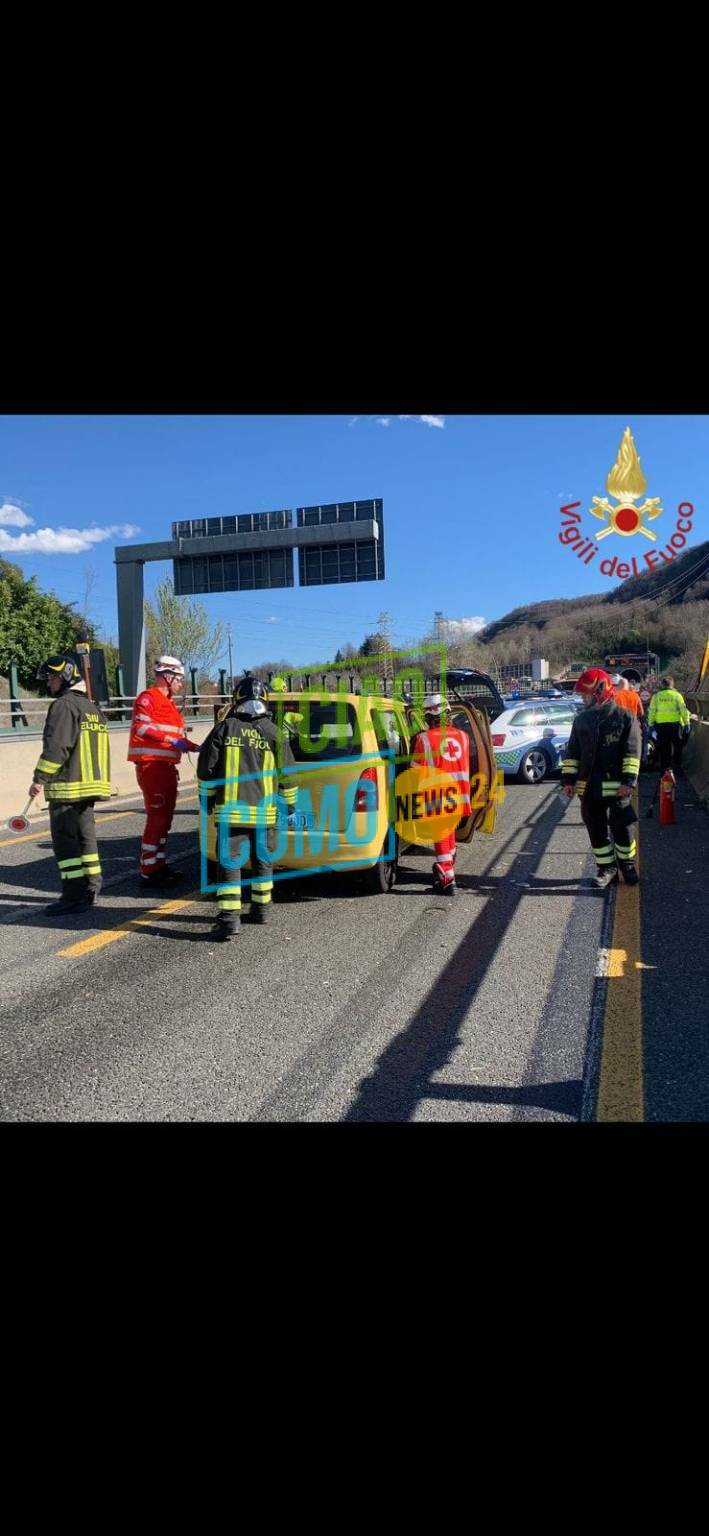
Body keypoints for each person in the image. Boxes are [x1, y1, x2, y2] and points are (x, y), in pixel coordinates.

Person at [197, 673, 299, 940]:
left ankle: (230, 919)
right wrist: (289, 807)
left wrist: (207, 802)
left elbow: (206, 771)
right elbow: (288, 775)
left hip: (232, 812)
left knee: (230, 863)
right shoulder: (274, 732)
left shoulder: (225, 728)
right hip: (265, 814)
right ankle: (261, 909)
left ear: (237, 700)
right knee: (263, 861)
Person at [30, 654, 111, 914]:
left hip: (67, 786)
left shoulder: (63, 706)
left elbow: (57, 747)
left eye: (51, 678)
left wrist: (39, 778)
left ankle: (73, 895)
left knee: (66, 843)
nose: (48, 684)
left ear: (65, 677)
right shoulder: (92, 708)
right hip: (89, 786)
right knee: (87, 841)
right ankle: (91, 887)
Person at [560, 668, 642, 889]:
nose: (582, 698)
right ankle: (607, 868)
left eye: (585, 695)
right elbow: (573, 753)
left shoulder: (625, 719)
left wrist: (628, 781)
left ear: (600, 691)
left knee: (623, 826)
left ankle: (627, 864)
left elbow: (632, 753)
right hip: (588, 786)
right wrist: (568, 781)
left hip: (616, 786)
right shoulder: (582, 720)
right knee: (595, 828)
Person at [127, 655, 201, 886]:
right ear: (167, 677)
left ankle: (158, 864)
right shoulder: (149, 698)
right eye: (179, 679)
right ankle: (149, 870)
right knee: (157, 818)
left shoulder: (169, 704)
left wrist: (195, 746)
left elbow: (177, 739)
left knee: (166, 818)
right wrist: (173, 741)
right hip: (152, 766)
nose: (181, 683)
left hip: (167, 768)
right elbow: (142, 727)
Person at [410, 693, 471, 896]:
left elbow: (416, 772)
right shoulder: (464, 737)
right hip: (460, 796)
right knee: (449, 834)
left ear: (428, 717)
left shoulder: (423, 739)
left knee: (440, 835)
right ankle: (448, 868)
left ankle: (447, 879)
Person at [647, 675, 691, 776]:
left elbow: (652, 711)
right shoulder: (677, 695)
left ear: (662, 685)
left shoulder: (656, 696)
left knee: (664, 748)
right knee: (677, 747)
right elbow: (683, 710)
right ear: (672, 684)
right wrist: (687, 723)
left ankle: (664, 770)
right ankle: (677, 769)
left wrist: (650, 725)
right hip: (675, 726)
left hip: (661, 727)